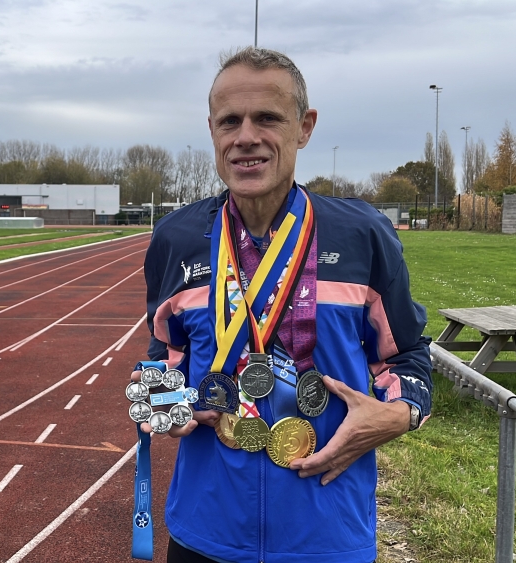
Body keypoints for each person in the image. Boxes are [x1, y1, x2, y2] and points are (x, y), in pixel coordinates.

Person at [134, 47, 433, 563]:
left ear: (305, 126)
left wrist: (400, 414)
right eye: (230, 121)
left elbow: (408, 358)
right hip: (205, 533)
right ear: (212, 130)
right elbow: (164, 362)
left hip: (328, 533)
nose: (245, 136)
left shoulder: (361, 234)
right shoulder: (176, 239)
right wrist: (164, 407)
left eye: (267, 118)